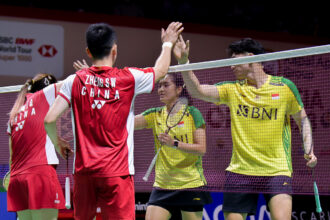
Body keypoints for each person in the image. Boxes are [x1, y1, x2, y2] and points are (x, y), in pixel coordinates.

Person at [44, 22, 183, 220]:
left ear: (88, 51)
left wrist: (58, 143)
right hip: (117, 173)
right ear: (115, 49)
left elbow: (49, 119)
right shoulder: (128, 78)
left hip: (84, 173)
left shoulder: (74, 81)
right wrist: (167, 44)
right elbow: (160, 70)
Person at [173, 36, 318, 220]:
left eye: (234, 61)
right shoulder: (233, 89)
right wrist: (184, 61)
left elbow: (303, 120)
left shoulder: (284, 87)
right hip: (240, 172)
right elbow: (197, 91)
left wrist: (309, 149)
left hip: (276, 170)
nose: (231, 67)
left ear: (250, 57)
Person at [134, 73, 212, 220]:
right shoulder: (155, 114)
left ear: (178, 89)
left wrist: (174, 143)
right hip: (163, 185)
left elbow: (201, 148)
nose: (161, 89)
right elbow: (128, 123)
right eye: (159, 86)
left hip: (190, 183)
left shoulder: (193, 113)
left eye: (166, 85)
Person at [7, 73, 70, 220]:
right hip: (40, 174)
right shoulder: (44, 95)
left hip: (17, 179)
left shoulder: (15, 113)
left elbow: (12, 155)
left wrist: (56, 140)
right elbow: (71, 83)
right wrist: (91, 72)